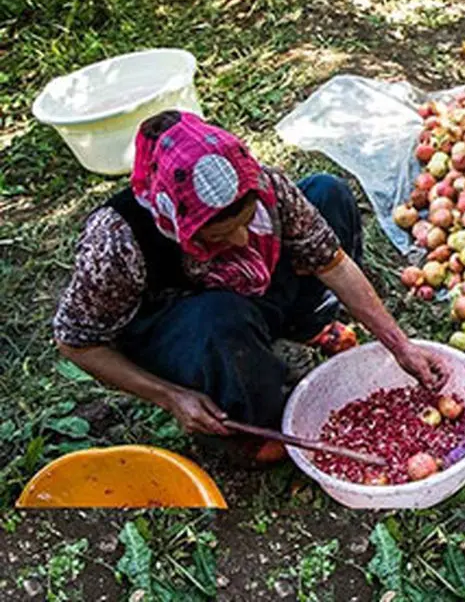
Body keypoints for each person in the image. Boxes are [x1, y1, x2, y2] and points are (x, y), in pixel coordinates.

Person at [53, 110, 441, 464]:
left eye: (248, 219)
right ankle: (251, 423)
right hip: (190, 329)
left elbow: (333, 264)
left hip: (250, 296)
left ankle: (307, 328)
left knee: (327, 193)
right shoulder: (117, 242)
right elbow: (77, 342)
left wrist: (401, 346)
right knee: (221, 319)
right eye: (219, 235)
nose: (241, 240)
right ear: (177, 224)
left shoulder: (266, 185)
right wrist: (169, 397)